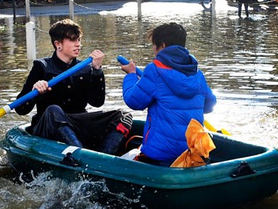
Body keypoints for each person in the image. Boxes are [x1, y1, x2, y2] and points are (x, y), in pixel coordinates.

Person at [16, 19, 133, 166]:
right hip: (49, 124)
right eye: (72, 40)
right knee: (53, 110)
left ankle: (102, 161)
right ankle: (82, 156)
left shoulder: (84, 68)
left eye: (78, 40)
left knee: (124, 116)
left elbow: (97, 102)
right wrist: (35, 91)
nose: (78, 44)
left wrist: (97, 70)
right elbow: (21, 109)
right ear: (58, 44)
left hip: (78, 122)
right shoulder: (42, 67)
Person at [119, 22, 216, 167]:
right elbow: (209, 106)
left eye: (154, 45)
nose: (153, 49)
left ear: (162, 46)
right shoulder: (197, 74)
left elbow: (133, 101)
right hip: (190, 152)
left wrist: (131, 75)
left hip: (160, 154)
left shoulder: (154, 70)